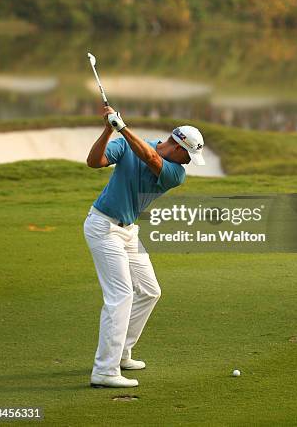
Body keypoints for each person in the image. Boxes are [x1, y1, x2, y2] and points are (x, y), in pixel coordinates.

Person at [84, 105, 205, 388]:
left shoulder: (176, 173)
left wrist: (122, 128)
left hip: (128, 231)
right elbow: (94, 162)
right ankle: (105, 370)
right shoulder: (127, 146)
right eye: (188, 155)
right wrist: (107, 130)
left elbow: (150, 157)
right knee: (121, 296)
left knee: (150, 291)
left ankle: (122, 352)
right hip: (103, 226)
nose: (189, 162)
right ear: (177, 147)